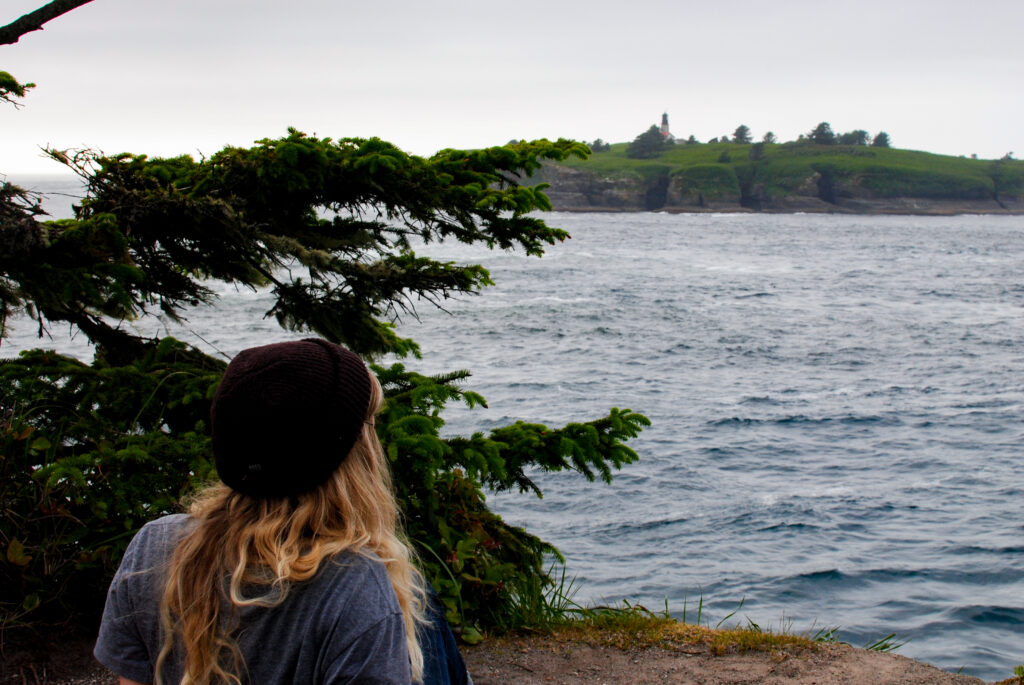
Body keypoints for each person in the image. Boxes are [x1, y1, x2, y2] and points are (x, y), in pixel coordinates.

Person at [94, 338, 470, 684]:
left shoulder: (153, 549)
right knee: (423, 608)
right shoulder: (353, 586)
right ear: (352, 459)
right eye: (368, 426)